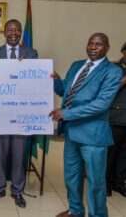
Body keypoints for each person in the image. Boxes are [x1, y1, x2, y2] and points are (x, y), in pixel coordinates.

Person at [50, 33, 122, 217]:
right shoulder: (77, 65)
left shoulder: (113, 71)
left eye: (98, 44)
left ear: (107, 47)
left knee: (96, 182)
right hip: (72, 132)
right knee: (72, 177)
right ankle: (75, 210)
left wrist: (66, 113)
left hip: (93, 136)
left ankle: (97, 214)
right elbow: (65, 90)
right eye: (90, 43)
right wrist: (56, 80)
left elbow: (101, 104)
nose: (93, 47)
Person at [0, 19, 38, 208]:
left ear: (21, 32)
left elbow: (35, 81)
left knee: (18, 154)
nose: (14, 33)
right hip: (0, 112)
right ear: (4, 32)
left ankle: (17, 191)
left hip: (21, 113)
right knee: (0, 154)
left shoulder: (31, 54)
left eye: (17, 30)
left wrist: (26, 68)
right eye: (10, 30)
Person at [106, 42, 126, 197]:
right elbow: (111, 89)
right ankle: (105, 183)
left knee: (124, 155)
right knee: (110, 154)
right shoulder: (115, 68)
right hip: (116, 117)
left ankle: (118, 183)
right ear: (123, 52)